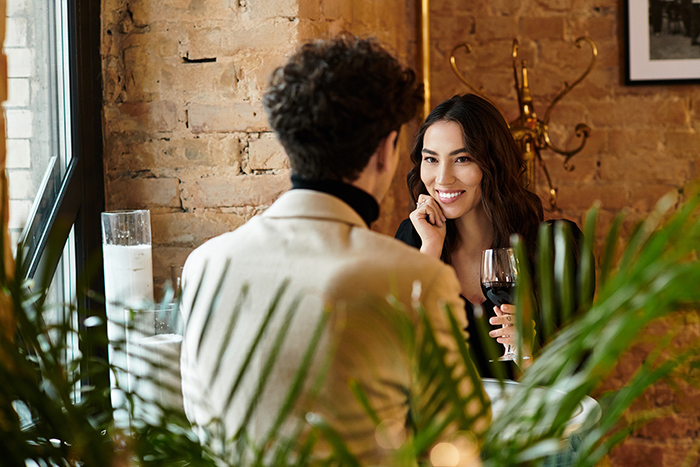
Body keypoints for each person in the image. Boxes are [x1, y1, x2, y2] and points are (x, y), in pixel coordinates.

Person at [179, 36, 489, 464]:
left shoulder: (204, 264)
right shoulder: (414, 279)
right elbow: (461, 442)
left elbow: (202, 425)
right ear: (386, 150)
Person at [395, 94, 587, 379]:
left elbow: (577, 378)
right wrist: (431, 252)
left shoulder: (556, 247)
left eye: (462, 158)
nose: (443, 178)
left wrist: (528, 353)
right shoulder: (415, 238)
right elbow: (393, 358)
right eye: (431, 159)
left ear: (493, 164)